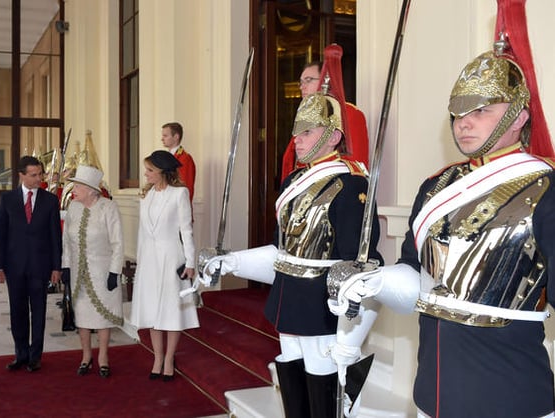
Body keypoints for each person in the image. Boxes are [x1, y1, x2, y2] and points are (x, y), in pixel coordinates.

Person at [328, 2, 555, 417]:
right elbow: (417, 277)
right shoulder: (437, 186)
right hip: (433, 389)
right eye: (458, 113)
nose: (464, 123)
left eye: (482, 110)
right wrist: (374, 282)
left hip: (507, 394)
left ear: (520, 116)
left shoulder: (545, 187)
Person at [200, 69, 383, 416]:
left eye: (307, 131)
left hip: (322, 308)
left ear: (333, 137)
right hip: (288, 301)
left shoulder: (352, 186)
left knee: (323, 385)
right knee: (293, 379)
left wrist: (351, 338)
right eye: (296, 131)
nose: (296, 139)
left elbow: (364, 269)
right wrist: (232, 261)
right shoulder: (294, 183)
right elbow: (281, 254)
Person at [128, 150, 199, 382]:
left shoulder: (179, 193)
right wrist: (139, 262)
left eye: (150, 170)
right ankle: (157, 357)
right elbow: (141, 233)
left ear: (162, 171)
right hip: (149, 260)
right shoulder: (146, 196)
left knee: (170, 310)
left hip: (171, 257)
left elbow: (186, 230)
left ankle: (169, 359)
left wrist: (190, 262)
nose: (146, 174)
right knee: (152, 310)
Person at [0, 155, 62, 373]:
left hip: (40, 267)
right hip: (14, 267)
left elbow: (54, 237)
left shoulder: (50, 200)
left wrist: (56, 267)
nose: (38, 178)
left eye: (40, 174)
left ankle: (35, 356)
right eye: (33, 175)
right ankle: (20, 354)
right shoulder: (8, 199)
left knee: (39, 311)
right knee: (17, 311)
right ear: (21, 175)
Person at [61, 165, 124, 378]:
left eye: (77, 186)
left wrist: (115, 272)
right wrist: (66, 267)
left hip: (103, 271)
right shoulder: (73, 208)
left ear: (90, 190)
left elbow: (118, 243)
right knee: (82, 316)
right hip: (79, 272)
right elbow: (66, 242)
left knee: (102, 316)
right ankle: (86, 356)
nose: (73, 190)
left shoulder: (108, 208)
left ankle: (103, 357)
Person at [281, 52, 370, 184]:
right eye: (300, 82)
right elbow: (290, 163)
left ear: (325, 80)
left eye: (308, 80)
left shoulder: (349, 113)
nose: (302, 87)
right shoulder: (304, 117)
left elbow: (355, 164)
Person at [161, 122, 196, 203]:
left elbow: (185, 187)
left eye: (165, 136)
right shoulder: (165, 157)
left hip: (177, 206)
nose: (162, 139)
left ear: (176, 137)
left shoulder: (185, 158)